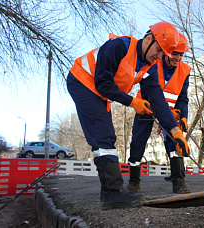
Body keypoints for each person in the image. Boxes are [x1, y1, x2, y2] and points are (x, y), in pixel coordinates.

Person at [67, 21, 190, 209]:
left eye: (162, 54)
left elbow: (158, 100)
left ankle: (110, 192)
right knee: (103, 135)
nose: (158, 56)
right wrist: (133, 102)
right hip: (83, 81)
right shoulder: (120, 46)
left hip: (99, 92)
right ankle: (112, 195)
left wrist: (176, 132)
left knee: (105, 136)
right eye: (158, 50)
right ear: (149, 39)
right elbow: (103, 84)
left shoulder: (150, 66)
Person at [126, 33, 191, 194]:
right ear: (167, 51)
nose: (177, 58)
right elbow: (148, 89)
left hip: (169, 113)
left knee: (175, 142)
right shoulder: (153, 62)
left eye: (181, 55)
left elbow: (183, 98)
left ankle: (179, 182)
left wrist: (182, 116)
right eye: (175, 53)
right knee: (137, 143)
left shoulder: (185, 70)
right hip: (146, 107)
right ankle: (134, 183)